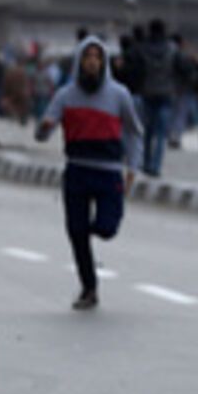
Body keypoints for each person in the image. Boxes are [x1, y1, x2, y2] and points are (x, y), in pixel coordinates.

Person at [35, 36, 143, 311]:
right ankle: (89, 287)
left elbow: (134, 133)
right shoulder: (65, 95)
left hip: (108, 174)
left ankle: (95, 232)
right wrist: (45, 127)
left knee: (107, 229)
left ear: (104, 62)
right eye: (87, 57)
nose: (92, 62)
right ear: (79, 62)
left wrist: (133, 168)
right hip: (77, 172)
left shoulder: (119, 95)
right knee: (76, 231)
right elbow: (42, 133)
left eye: (97, 57)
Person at [138, 19, 186, 177]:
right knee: (161, 133)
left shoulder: (143, 48)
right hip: (166, 94)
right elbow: (183, 69)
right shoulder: (172, 49)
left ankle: (145, 162)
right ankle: (155, 166)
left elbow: (138, 70)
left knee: (147, 131)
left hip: (147, 93)